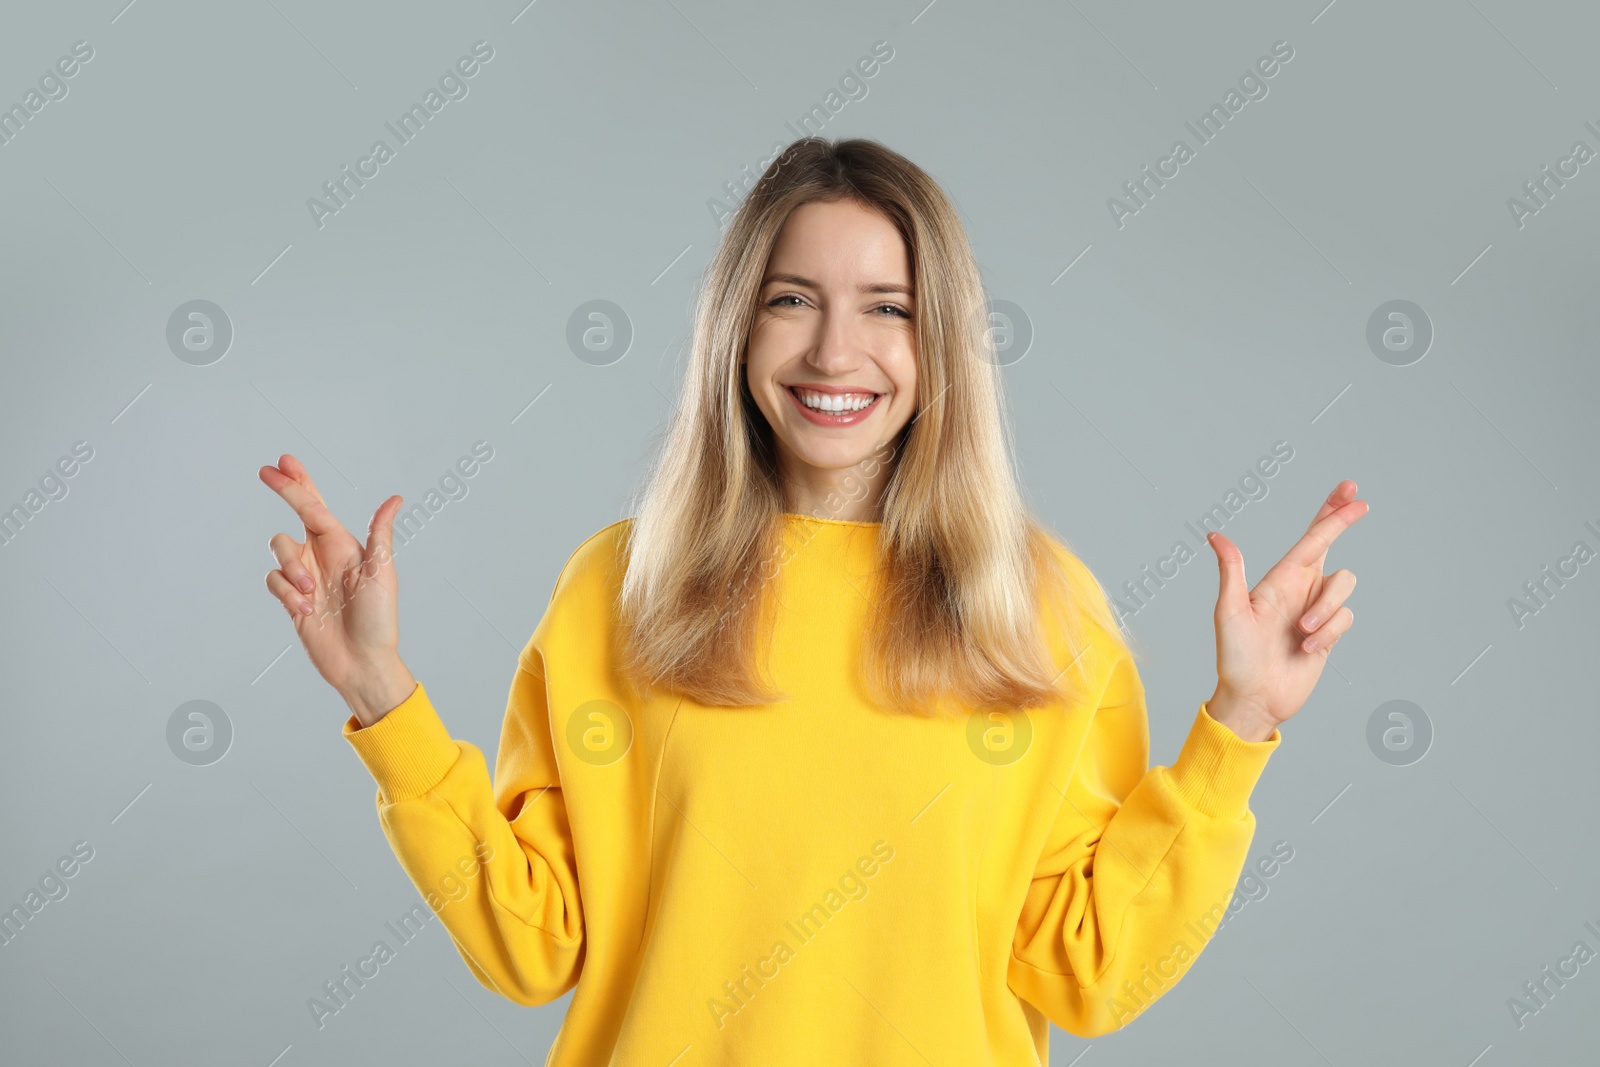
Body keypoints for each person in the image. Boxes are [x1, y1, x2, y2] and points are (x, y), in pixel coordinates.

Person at [259, 136, 1365, 1065]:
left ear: (939, 342)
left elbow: (1087, 969)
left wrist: (1241, 723)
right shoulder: (620, 585)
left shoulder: (1037, 606)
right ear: (736, 326)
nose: (836, 349)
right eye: (793, 299)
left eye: (887, 306)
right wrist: (379, 693)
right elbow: (532, 945)